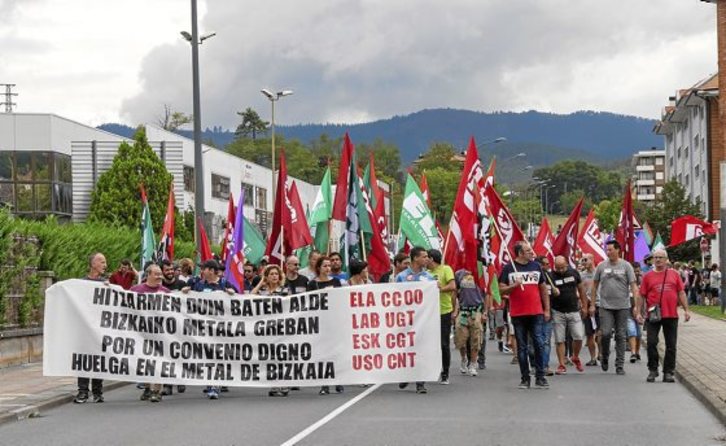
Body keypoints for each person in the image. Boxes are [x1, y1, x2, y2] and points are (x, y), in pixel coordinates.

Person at [499, 241, 550, 390]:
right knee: (522, 347)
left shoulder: (536, 266)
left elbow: (543, 289)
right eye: (528, 251)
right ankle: (525, 378)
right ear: (520, 253)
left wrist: (547, 309)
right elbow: (501, 290)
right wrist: (514, 286)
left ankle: (540, 376)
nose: (532, 253)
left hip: (536, 312)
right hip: (518, 313)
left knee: (539, 343)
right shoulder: (509, 268)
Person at [182, 259, 236, 400]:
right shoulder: (199, 284)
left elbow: (238, 300)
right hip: (203, 328)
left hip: (220, 328)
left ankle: (215, 384)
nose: (202, 271)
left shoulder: (224, 284)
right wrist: (186, 292)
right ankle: (210, 382)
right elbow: (189, 300)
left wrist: (232, 294)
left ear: (211, 271)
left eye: (204, 269)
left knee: (217, 355)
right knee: (206, 355)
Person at [637, 249, 690, 383]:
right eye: (656, 257)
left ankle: (668, 372)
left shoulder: (674, 274)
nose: (658, 260)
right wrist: (638, 312)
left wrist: (686, 310)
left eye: (661, 257)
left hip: (671, 314)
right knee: (651, 342)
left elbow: (681, 292)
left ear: (666, 260)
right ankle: (653, 369)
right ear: (652, 260)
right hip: (653, 314)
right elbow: (641, 295)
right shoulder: (648, 276)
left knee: (671, 345)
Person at [591, 240, 639, 376]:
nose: (608, 252)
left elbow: (634, 286)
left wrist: (636, 305)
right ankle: (605, 355)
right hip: (605, 306)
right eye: (607, 250)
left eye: (611, 250)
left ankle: (619, 365)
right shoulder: (601, 266)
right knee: (605, 333)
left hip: (623, 306)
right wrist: (593, 304)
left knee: (621, 335)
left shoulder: (626, 266)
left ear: (618, 250)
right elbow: (594, 286)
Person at [396, 247, 436, 394]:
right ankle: (406, 374)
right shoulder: (401, 277)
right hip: (406, 320)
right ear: (415, 258)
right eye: (424, 257)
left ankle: (420, 382)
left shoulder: (429, 277)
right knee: (407, 349)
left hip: (423, 320)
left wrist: (436, 288)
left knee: (422, 350)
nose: (427, 259)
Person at [131, 264, 171, 403]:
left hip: (160, 334)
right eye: (156, 274)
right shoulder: (136, 290)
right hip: (142, 333)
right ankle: (147, 387)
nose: (160, 276)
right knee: (145, 362)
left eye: (160, 274)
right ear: (148, 275)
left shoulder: (166, 292)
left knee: (159, 362)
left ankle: (156, 391)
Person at [252, 265, 292, 397]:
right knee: (271, 357)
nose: (274, 276)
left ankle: (284, 383)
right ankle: (274, 384)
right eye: (271, 274)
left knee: (282, 356)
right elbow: (250, 297)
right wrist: (261, 283)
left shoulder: (285, 290)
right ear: (267, 277)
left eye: (276, 274)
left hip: (282, 327)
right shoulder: (262, 292)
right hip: (267, 329)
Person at [74, 252, 108, 404]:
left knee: (98, 360)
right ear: (93, 264)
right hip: (84, 329)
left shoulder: (106, 283)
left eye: (105, 262)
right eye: (102, 262)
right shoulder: (81, 283)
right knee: (83, 360)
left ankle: (97, 392)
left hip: (100, 330)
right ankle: (82, 391)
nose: (105, 265)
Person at [307, 256, 344, 395]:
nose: (328, 268)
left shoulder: (336, 282)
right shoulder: (312, 284)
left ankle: (338, 381)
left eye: (329, 266)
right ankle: (325, 383)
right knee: (323, 353)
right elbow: (308, 303)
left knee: (336, 352)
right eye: (325, 266)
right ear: (318, 268)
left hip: (334, 321)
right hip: (320, 322)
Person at [550, 256, 588, 375]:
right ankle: (562, 364)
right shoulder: (550, 276)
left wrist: (585, 306)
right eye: (558, 268)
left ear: (566, 264)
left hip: (573, 310)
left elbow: (581, 290)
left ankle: (575, 356)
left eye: (562, 267)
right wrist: (552, 292)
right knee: (560, 339)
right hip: (558, 311)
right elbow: (545, 292)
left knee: (578, 336)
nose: (560, 270)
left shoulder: (574, 273)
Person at [427, 249, 457, 385]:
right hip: (428, 312)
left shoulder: (446, 269)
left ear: (432, 259)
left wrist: (439, 289)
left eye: (426, 257)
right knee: (429, 343)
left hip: (444, 311)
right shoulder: (425, 273)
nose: (425, 260)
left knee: (444, 343)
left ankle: (445, 373)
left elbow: (452, 286)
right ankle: (430, 370)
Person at [159, 260, 188, 396]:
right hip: (164, 326)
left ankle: (180, 378)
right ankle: (167, 385)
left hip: (180, 325)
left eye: (171, 269)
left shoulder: (181, 284)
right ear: (162, 272)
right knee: (166, 355)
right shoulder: (159, 286)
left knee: (179, 354)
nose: (170, 272)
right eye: (167, 270)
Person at [454, 269, 487, 377]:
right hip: (463, 311)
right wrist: (454, 310)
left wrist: (485, 312)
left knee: (476, 339)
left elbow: (486, 293)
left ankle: (473, 364)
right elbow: (454, 292)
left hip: (476, 311)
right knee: (461, 339)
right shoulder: (459, 273)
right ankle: (464, 359)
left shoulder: (480, 271)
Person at [537, 255, 556, 377]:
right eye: (545, 264)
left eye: (548, 264)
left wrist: (556, 292)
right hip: (534, 313)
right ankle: (535, 364)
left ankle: (544, 366)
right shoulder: (534, 277)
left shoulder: (551, 276)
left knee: (546, 341)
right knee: (534, 342)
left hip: (547, 313)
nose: (548, 266)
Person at [579, 254, 599, 366]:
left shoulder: (599, 273)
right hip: (587, 305)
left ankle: (602, 354)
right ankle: (593, 358)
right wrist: (583, 306)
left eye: (585, 259)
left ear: (592, 259)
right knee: (590, 333)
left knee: (601, 333)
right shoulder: (582, 275)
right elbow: (580, 291)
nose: (583, 262)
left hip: (600, 304)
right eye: (582, 260)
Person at [627, 262, 644, 364]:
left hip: (640, 310)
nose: (636, 273)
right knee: (631, 330)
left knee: (639, 333)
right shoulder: (627, 281)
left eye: (638, 271)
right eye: (634, 271)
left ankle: (637, 352)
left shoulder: (643, 280)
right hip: (628, 309)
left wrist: (638, 309)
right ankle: (633, 352)